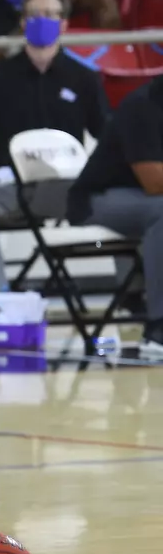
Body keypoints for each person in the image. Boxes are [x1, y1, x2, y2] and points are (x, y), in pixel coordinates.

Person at [0, 0, 108, 293]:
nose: (41, 20)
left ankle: (132, 296)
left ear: (64, 23)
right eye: (34, 14)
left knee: (126, 202)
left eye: (50, 14)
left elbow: (107, 135)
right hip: (13, 187)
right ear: (22, 22)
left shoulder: (84, 78)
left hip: (67, 187)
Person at [68, 77, 163, 358]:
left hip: (144, 199)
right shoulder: (142, 105)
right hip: (99, 199)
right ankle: (158, 328)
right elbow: (154, 182)